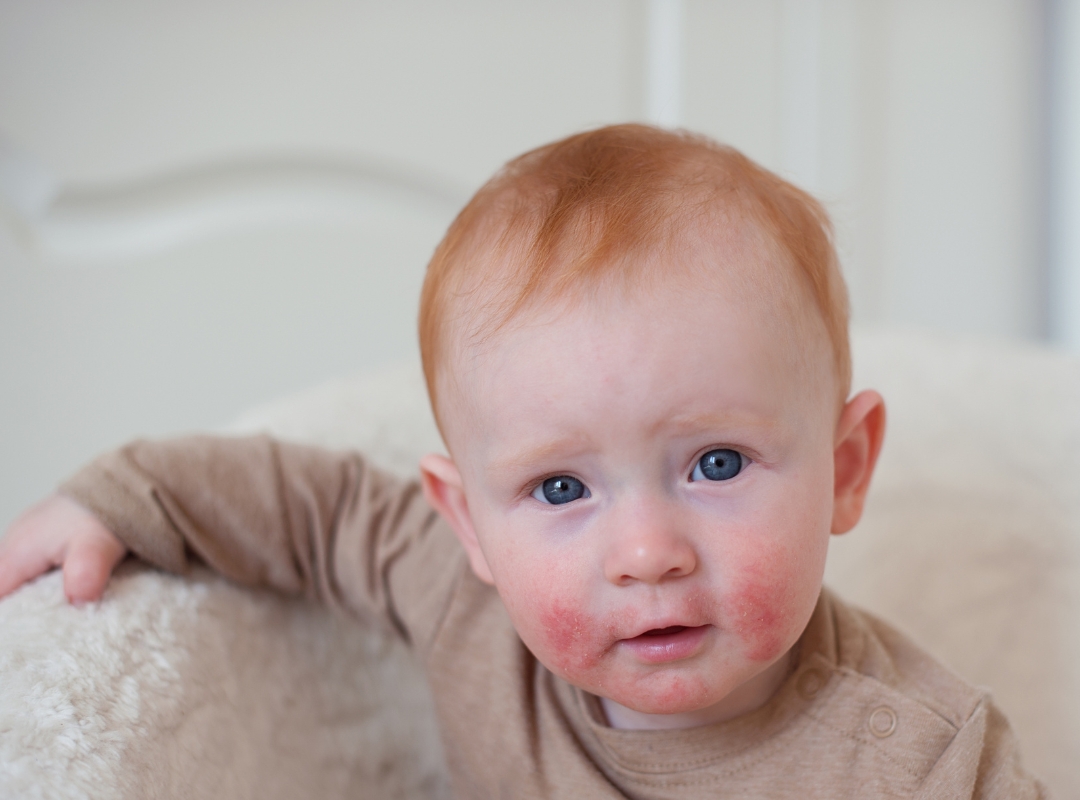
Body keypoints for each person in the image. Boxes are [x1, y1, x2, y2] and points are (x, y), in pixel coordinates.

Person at [0, 125, 1046, 798]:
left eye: (716, 462)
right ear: (469, 524)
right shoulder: (461, 601)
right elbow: (307, 507)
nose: (645, 552)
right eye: (560, 488)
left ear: (847, 465)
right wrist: (123, 496)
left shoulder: (925, 759)